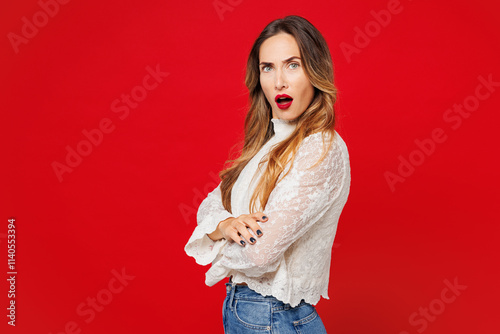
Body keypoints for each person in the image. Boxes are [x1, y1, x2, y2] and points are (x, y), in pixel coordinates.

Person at [184, 15, 351, 333]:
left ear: (315, 72)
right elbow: (209, 205)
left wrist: (216, 241)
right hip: (249, 312)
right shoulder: (266, 144)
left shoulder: (320, 148)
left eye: (293, 65)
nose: (279, 82)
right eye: (267, 67)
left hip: (274, 315)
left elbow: (261, 252)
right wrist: (225, 224)